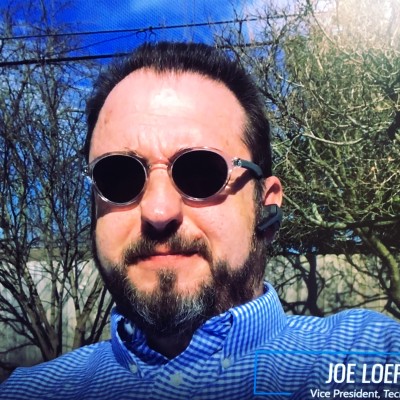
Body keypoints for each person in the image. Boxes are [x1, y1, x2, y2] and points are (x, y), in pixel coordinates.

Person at [1, 41, 399, 400]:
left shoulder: (372, 361)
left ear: (266, 205)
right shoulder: (29, 392)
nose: (158, 212)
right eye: (118, 178)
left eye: (201, 172)